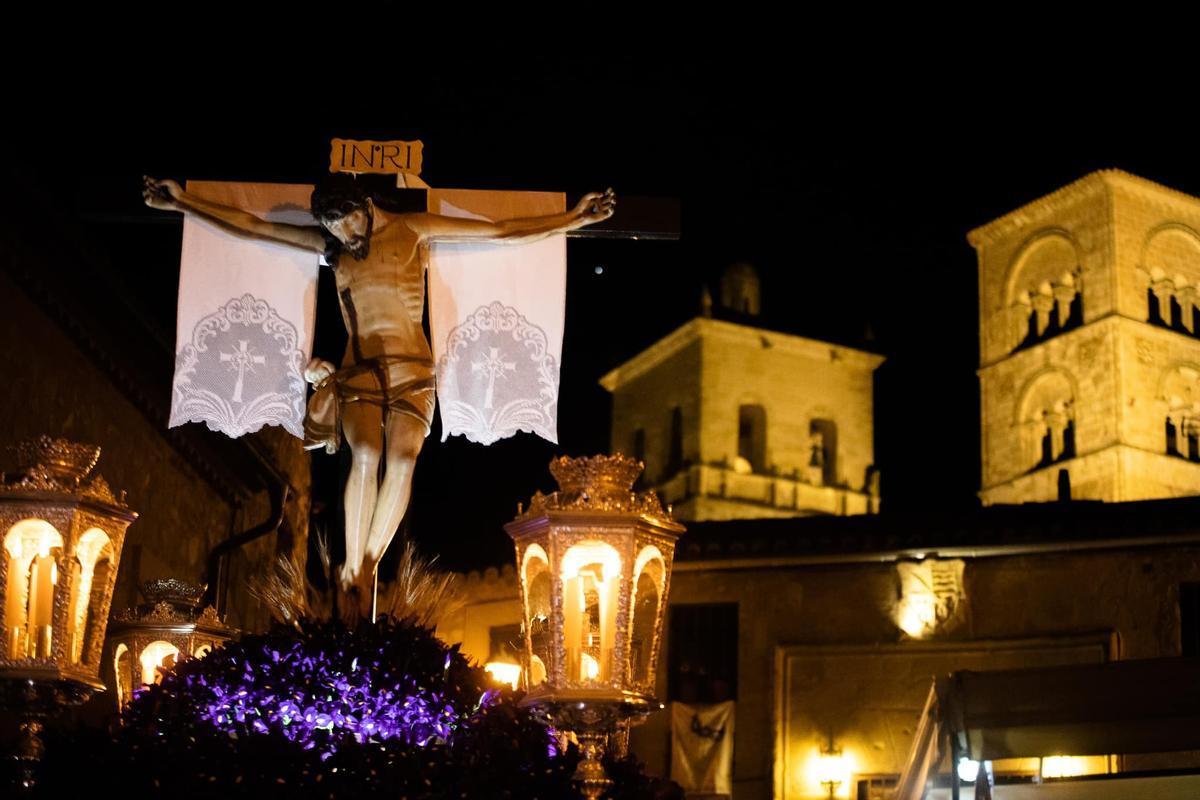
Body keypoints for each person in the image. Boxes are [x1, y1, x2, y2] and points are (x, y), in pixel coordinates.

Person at [144, 174, 615, 619]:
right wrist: (182, 200)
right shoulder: (333, 246)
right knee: (366, 454)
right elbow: (251, 227)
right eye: (332, 227)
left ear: (366, 207)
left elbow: (500, 231)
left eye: (347, 222)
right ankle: (352, 565)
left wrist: (573, 219)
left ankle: (369, 564)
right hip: (360, 370)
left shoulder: (413, 230)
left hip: (414, 371)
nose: (344, 235)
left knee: (404, 462)